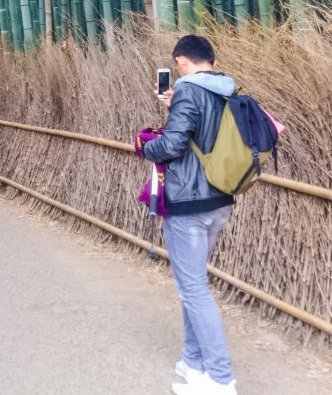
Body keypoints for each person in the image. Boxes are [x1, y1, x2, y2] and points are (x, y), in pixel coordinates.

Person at [136, 35, 240, 395]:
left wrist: (144, 145)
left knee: (194, 288)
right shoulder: (227, 89)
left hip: (189, 203)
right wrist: (172, 107)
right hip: (220, 199)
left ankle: (221, 379)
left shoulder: (188, 90)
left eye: (176, 64)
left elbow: (174, 144)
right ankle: (193, 362)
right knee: (192, 284)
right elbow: (202, 137)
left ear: (181, 60)